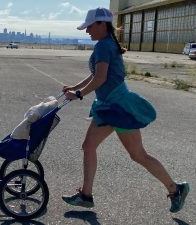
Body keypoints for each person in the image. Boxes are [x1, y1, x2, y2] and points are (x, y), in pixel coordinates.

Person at [61, 7, 189, 213]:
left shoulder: (104, 46)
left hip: (116, 107)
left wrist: (79, 94)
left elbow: (100, 78)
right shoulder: (106, 43)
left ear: (102, 24)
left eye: (90, 26)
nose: (87, 31)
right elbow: (96, 75)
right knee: (137, 154)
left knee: (94, 147)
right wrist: (76, 88)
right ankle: (175, 189)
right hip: (113, 106)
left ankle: (86, 195)